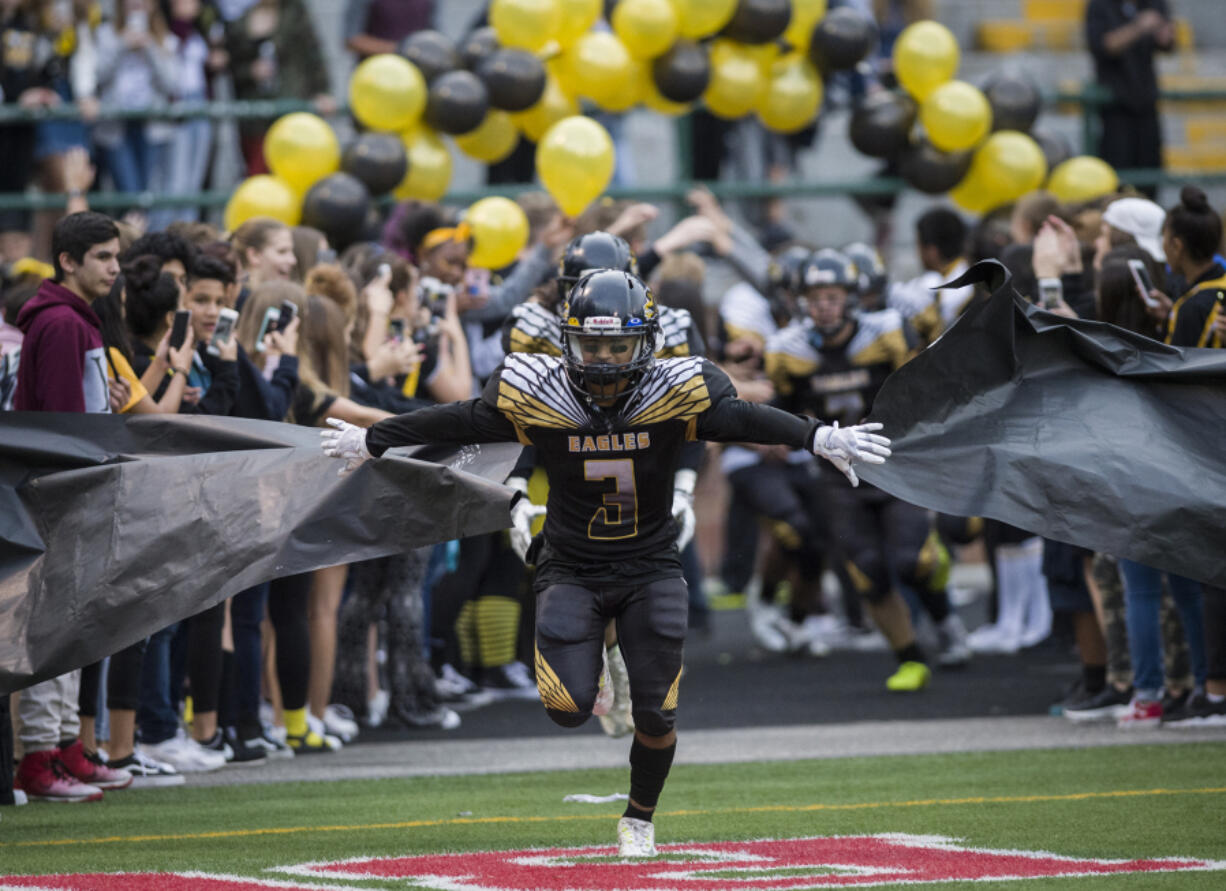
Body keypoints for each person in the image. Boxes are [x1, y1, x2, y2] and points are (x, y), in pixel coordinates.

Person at [321, 269, 891, 855]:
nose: (604, 359)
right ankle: (604, 655)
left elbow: (744, 419)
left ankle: (639, 818)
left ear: (645, 341)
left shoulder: (676, 388)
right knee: (567, 707)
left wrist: (819, 437)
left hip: (650, 565)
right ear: (568, 340)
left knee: (656, 712)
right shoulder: (539, 389)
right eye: (592, 345)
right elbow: (460, 419)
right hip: (570, 565)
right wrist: (376, 438)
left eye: (618, 345)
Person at [11, 211, 134, 801]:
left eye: (117, 257)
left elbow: (80, 413)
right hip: (58, 495)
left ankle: (63, 746)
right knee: (51, 626)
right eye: (104, 257)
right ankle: (39, 756)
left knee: (71, 624)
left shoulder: (77, 322)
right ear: (69, 260)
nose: (115, 268)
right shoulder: (61, 324)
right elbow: (60, 427)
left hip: (72, 491)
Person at [1085, 0, 1174, 198]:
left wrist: (1164, 34)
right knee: (1118, 179)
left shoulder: (1154, 3)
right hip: (1115, 107)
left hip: (1147, 103)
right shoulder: (1101, 5)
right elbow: (1102, 45)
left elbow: (1168, 43)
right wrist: (1139, 27)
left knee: (1151, 177)